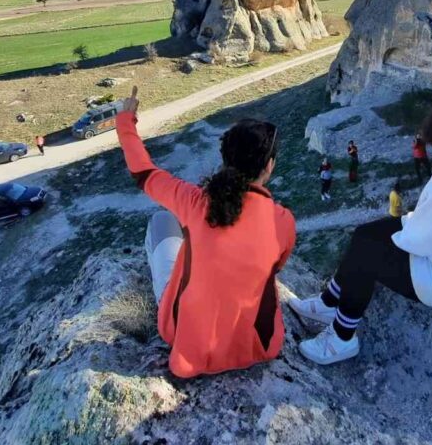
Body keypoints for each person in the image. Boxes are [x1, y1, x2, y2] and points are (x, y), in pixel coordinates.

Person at [289, 77, 432, 365]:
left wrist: (390, 238)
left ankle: (342, 337)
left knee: (368, 253)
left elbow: (421, 241)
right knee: (365, 233)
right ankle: (328, 302)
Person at [115, 86, 296, 378]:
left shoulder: (195, 201)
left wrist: (126, 120)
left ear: (225, 159)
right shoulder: (283, 221)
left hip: (189, 346)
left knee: (161, 221)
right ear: (269, 166)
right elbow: (275, 268)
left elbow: (143, 172)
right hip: (257, 347)